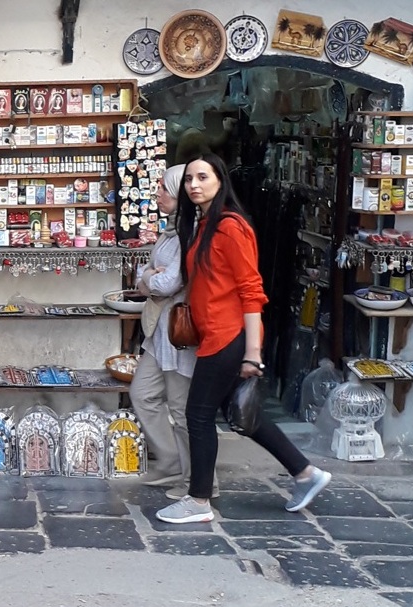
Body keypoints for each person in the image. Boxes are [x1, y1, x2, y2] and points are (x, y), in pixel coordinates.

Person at [155, 154, 331, 525]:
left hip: (228, 337)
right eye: (188, 179)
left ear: (221, 181)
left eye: (203, 177)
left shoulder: (231, 226)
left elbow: (252, 291)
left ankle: (199, 500)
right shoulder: (203, 225)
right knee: (244, 414)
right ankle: (305, 473)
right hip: (214, 335)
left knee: (198, 415)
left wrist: (253, 353)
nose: (194, 185)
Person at [129, 164, 212, 498]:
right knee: (142, 394)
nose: (158, 194)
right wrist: (150, 276)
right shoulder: (170, 231)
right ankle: (171, 463)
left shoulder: (187, 233)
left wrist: (149, 278)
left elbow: (167, 281)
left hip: (179, 333)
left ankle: (199, 481)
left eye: (163, 188)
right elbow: (145, 273)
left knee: (181, 409)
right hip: (158, 332)